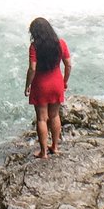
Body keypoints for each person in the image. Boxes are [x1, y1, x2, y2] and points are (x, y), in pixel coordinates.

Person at [24, 17, 72, 158]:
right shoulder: (61, 43)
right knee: (55, 115)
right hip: (57, 83)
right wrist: (65, 81)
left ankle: (43, 152)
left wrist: (27, 85)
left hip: (41, 85)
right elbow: (68, 65)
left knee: (41, 119)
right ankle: (55, 147)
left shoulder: (34, 47)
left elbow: (32, 69)